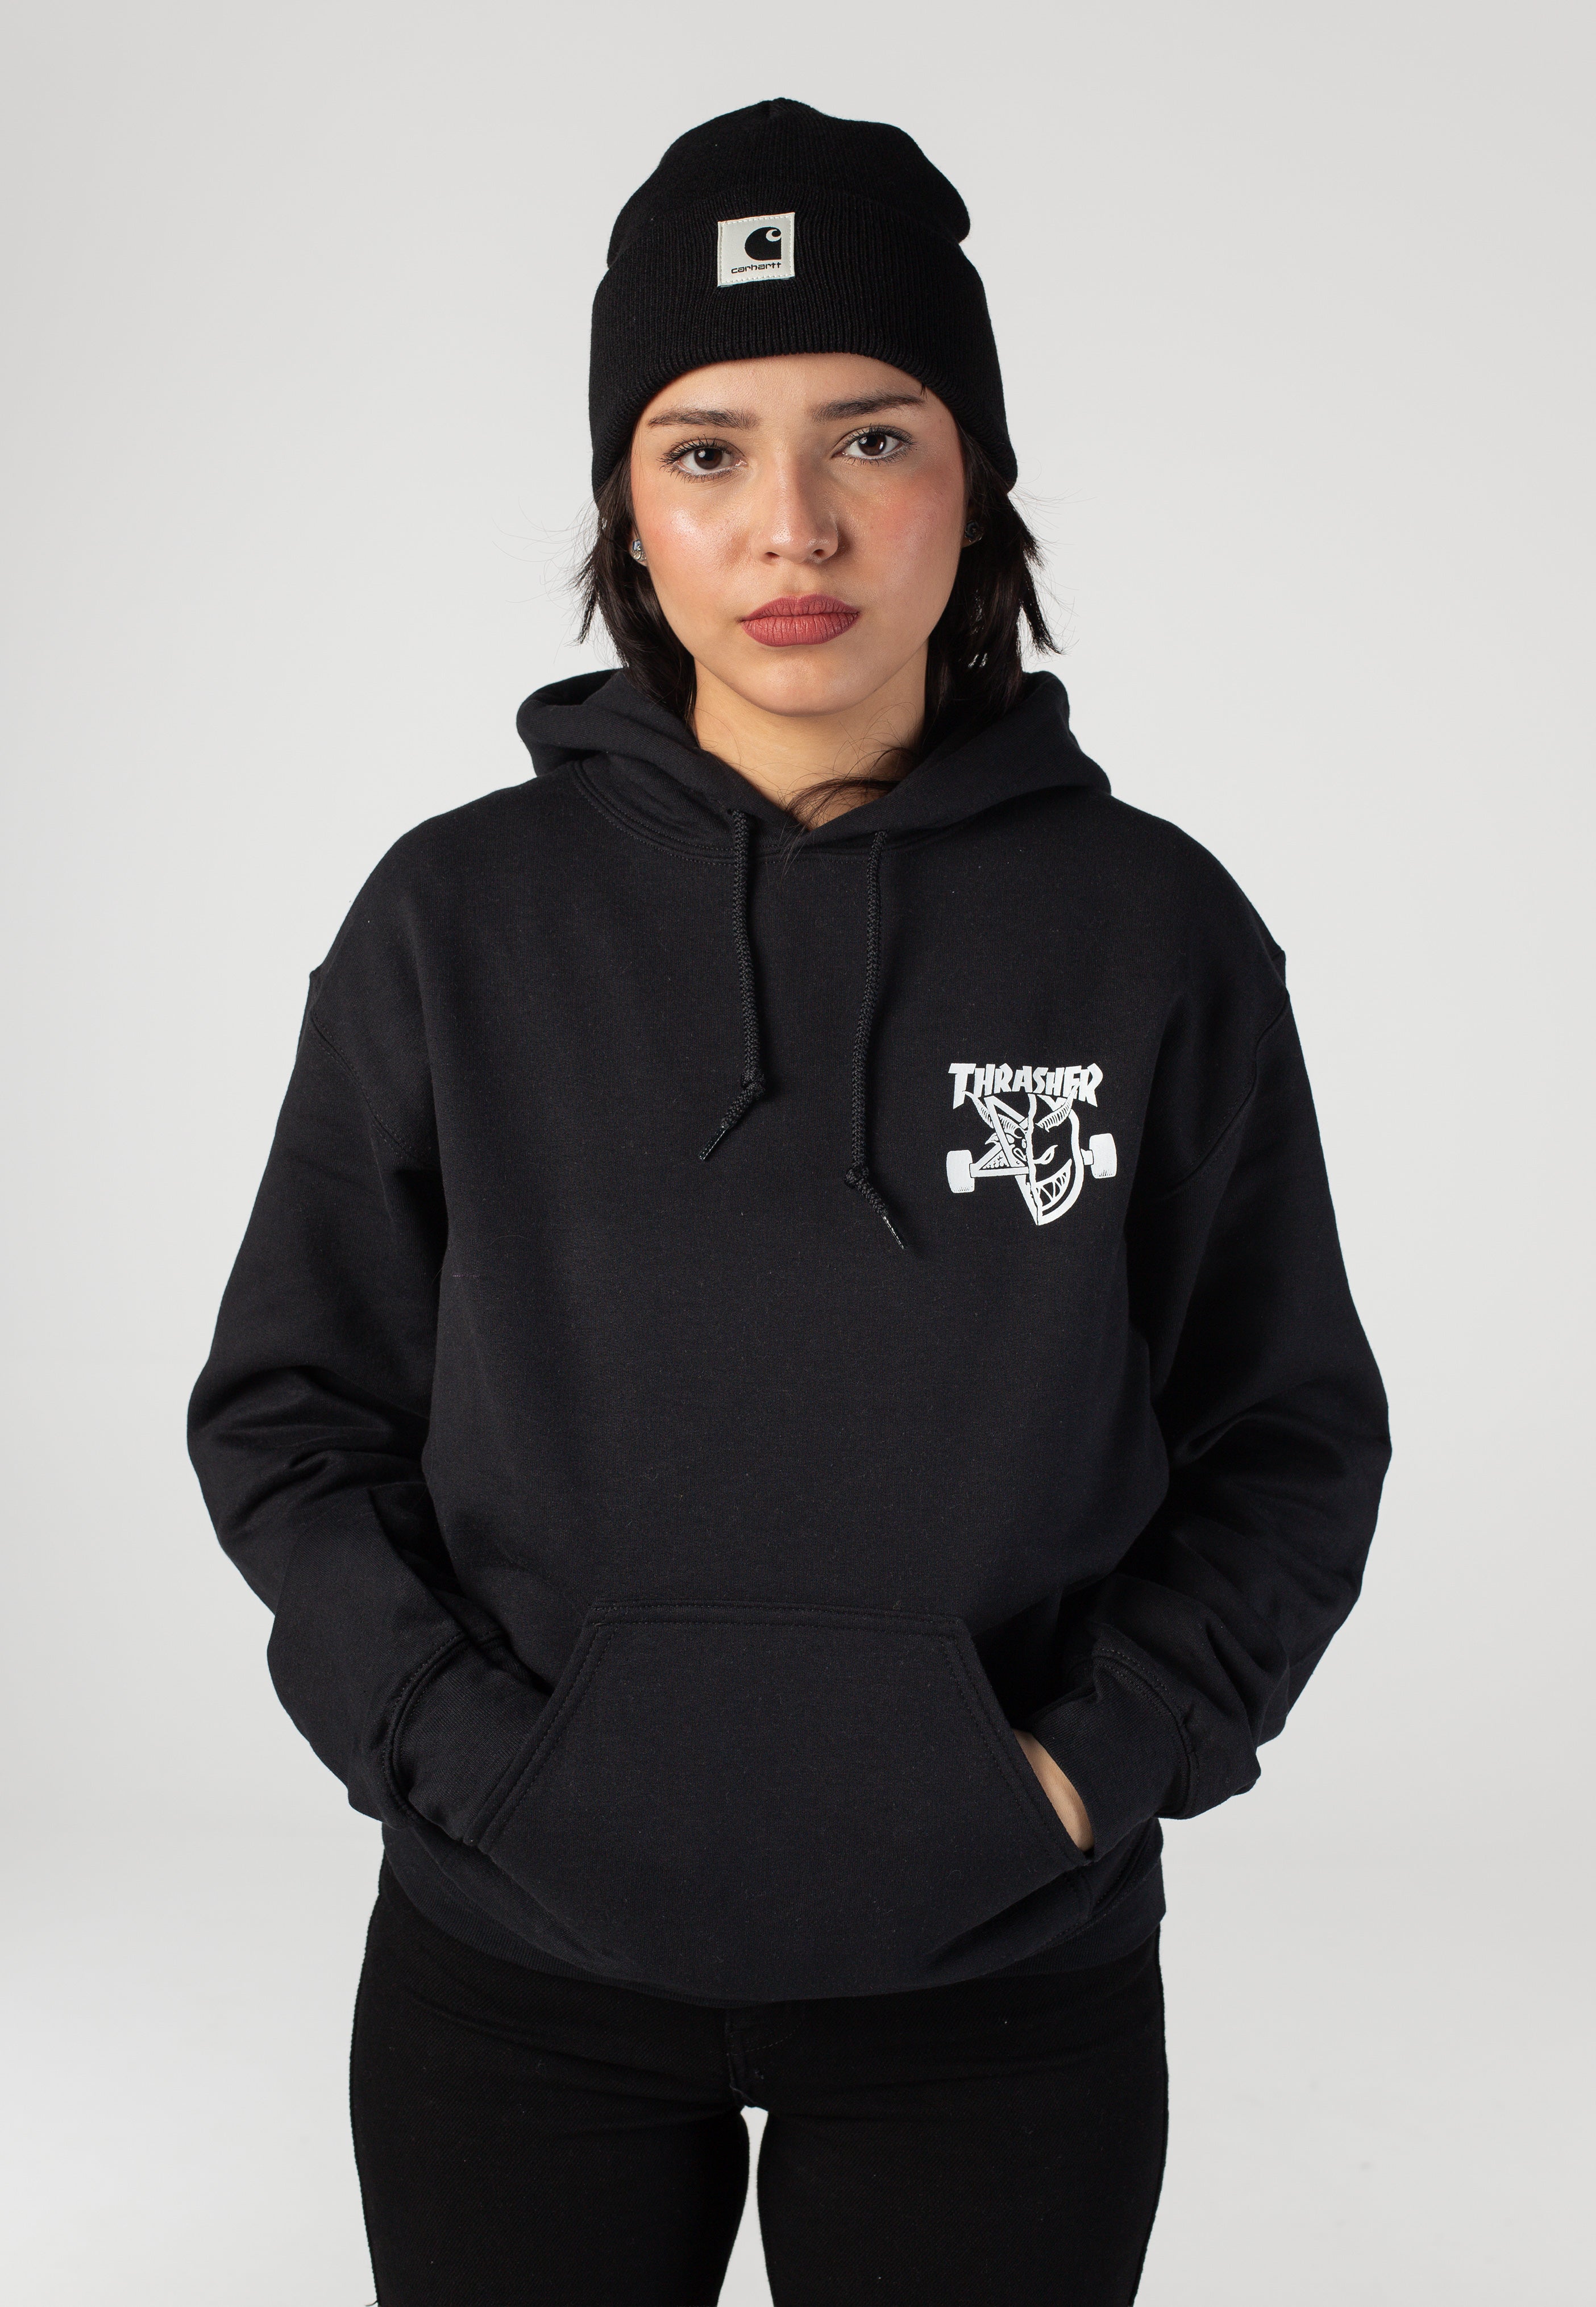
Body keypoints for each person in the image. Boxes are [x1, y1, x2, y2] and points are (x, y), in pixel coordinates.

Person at [188, 97, 1390, 2307]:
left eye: (872, 436)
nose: (792, 524)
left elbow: (1289, 1434)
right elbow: (289, 1414)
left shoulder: (1153, 933)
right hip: (518, 1972)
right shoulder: (453, 922)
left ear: (976, 480)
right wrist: (469, 1762)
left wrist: (1076, 1775)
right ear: (626, 509)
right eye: (708, 449)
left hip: (996, 1982)